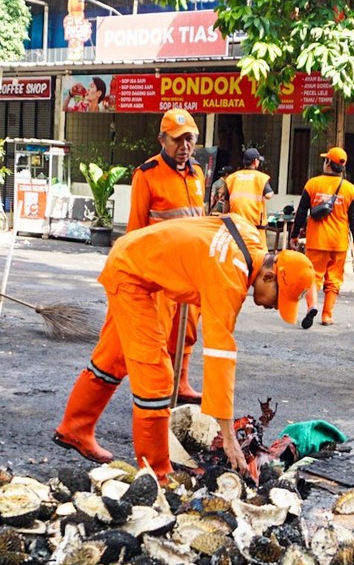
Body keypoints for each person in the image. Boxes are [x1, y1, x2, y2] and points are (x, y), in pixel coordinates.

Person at [52, 214, 315, 480]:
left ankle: (75, 429)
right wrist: (228, 437)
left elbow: (205, 239)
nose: (273, 307)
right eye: (278, 300)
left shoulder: (249, 236)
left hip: (136, 258)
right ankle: (156, 473)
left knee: (114, 357)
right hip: (132, 275)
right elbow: (219, 355)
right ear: (269, 276)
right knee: (156, 377)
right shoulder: (230, 280)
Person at [127, 109, 206, 405]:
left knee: (186, 332)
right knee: (158, 333)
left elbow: (200, 218)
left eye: (190, 139)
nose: (184, 146)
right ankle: (157, 389)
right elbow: (135, 230)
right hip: (160, 274)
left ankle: (181, 382)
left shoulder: (197, 173)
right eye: (177, 140)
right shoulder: (146, 174)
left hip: (191, 270)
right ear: (162, 139)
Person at [289, 146, 354, 328]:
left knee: (313, 277)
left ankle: (312, 306)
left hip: (317, 241)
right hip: (339, 243)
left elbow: (301, 213)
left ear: (328, 162)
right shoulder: (350, 189)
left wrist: (294, 236)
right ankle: (327, 316)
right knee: (334, 281)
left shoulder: (312, 184)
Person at [223, 148, 274, 228]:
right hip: (255, 226)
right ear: (255, 161)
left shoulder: (232, 177)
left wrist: (225, 219)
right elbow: (268, 195)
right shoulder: (261, 177)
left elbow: (226, 202)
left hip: (236, 225)